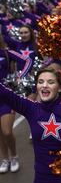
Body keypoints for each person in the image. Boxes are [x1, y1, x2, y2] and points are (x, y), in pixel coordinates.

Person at [0, 32, 33, 173]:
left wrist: (20, 76)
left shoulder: (6, 53)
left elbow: (28, 61)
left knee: (7, 132)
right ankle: (4, 159)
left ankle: (14, 156)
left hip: (6, 97)